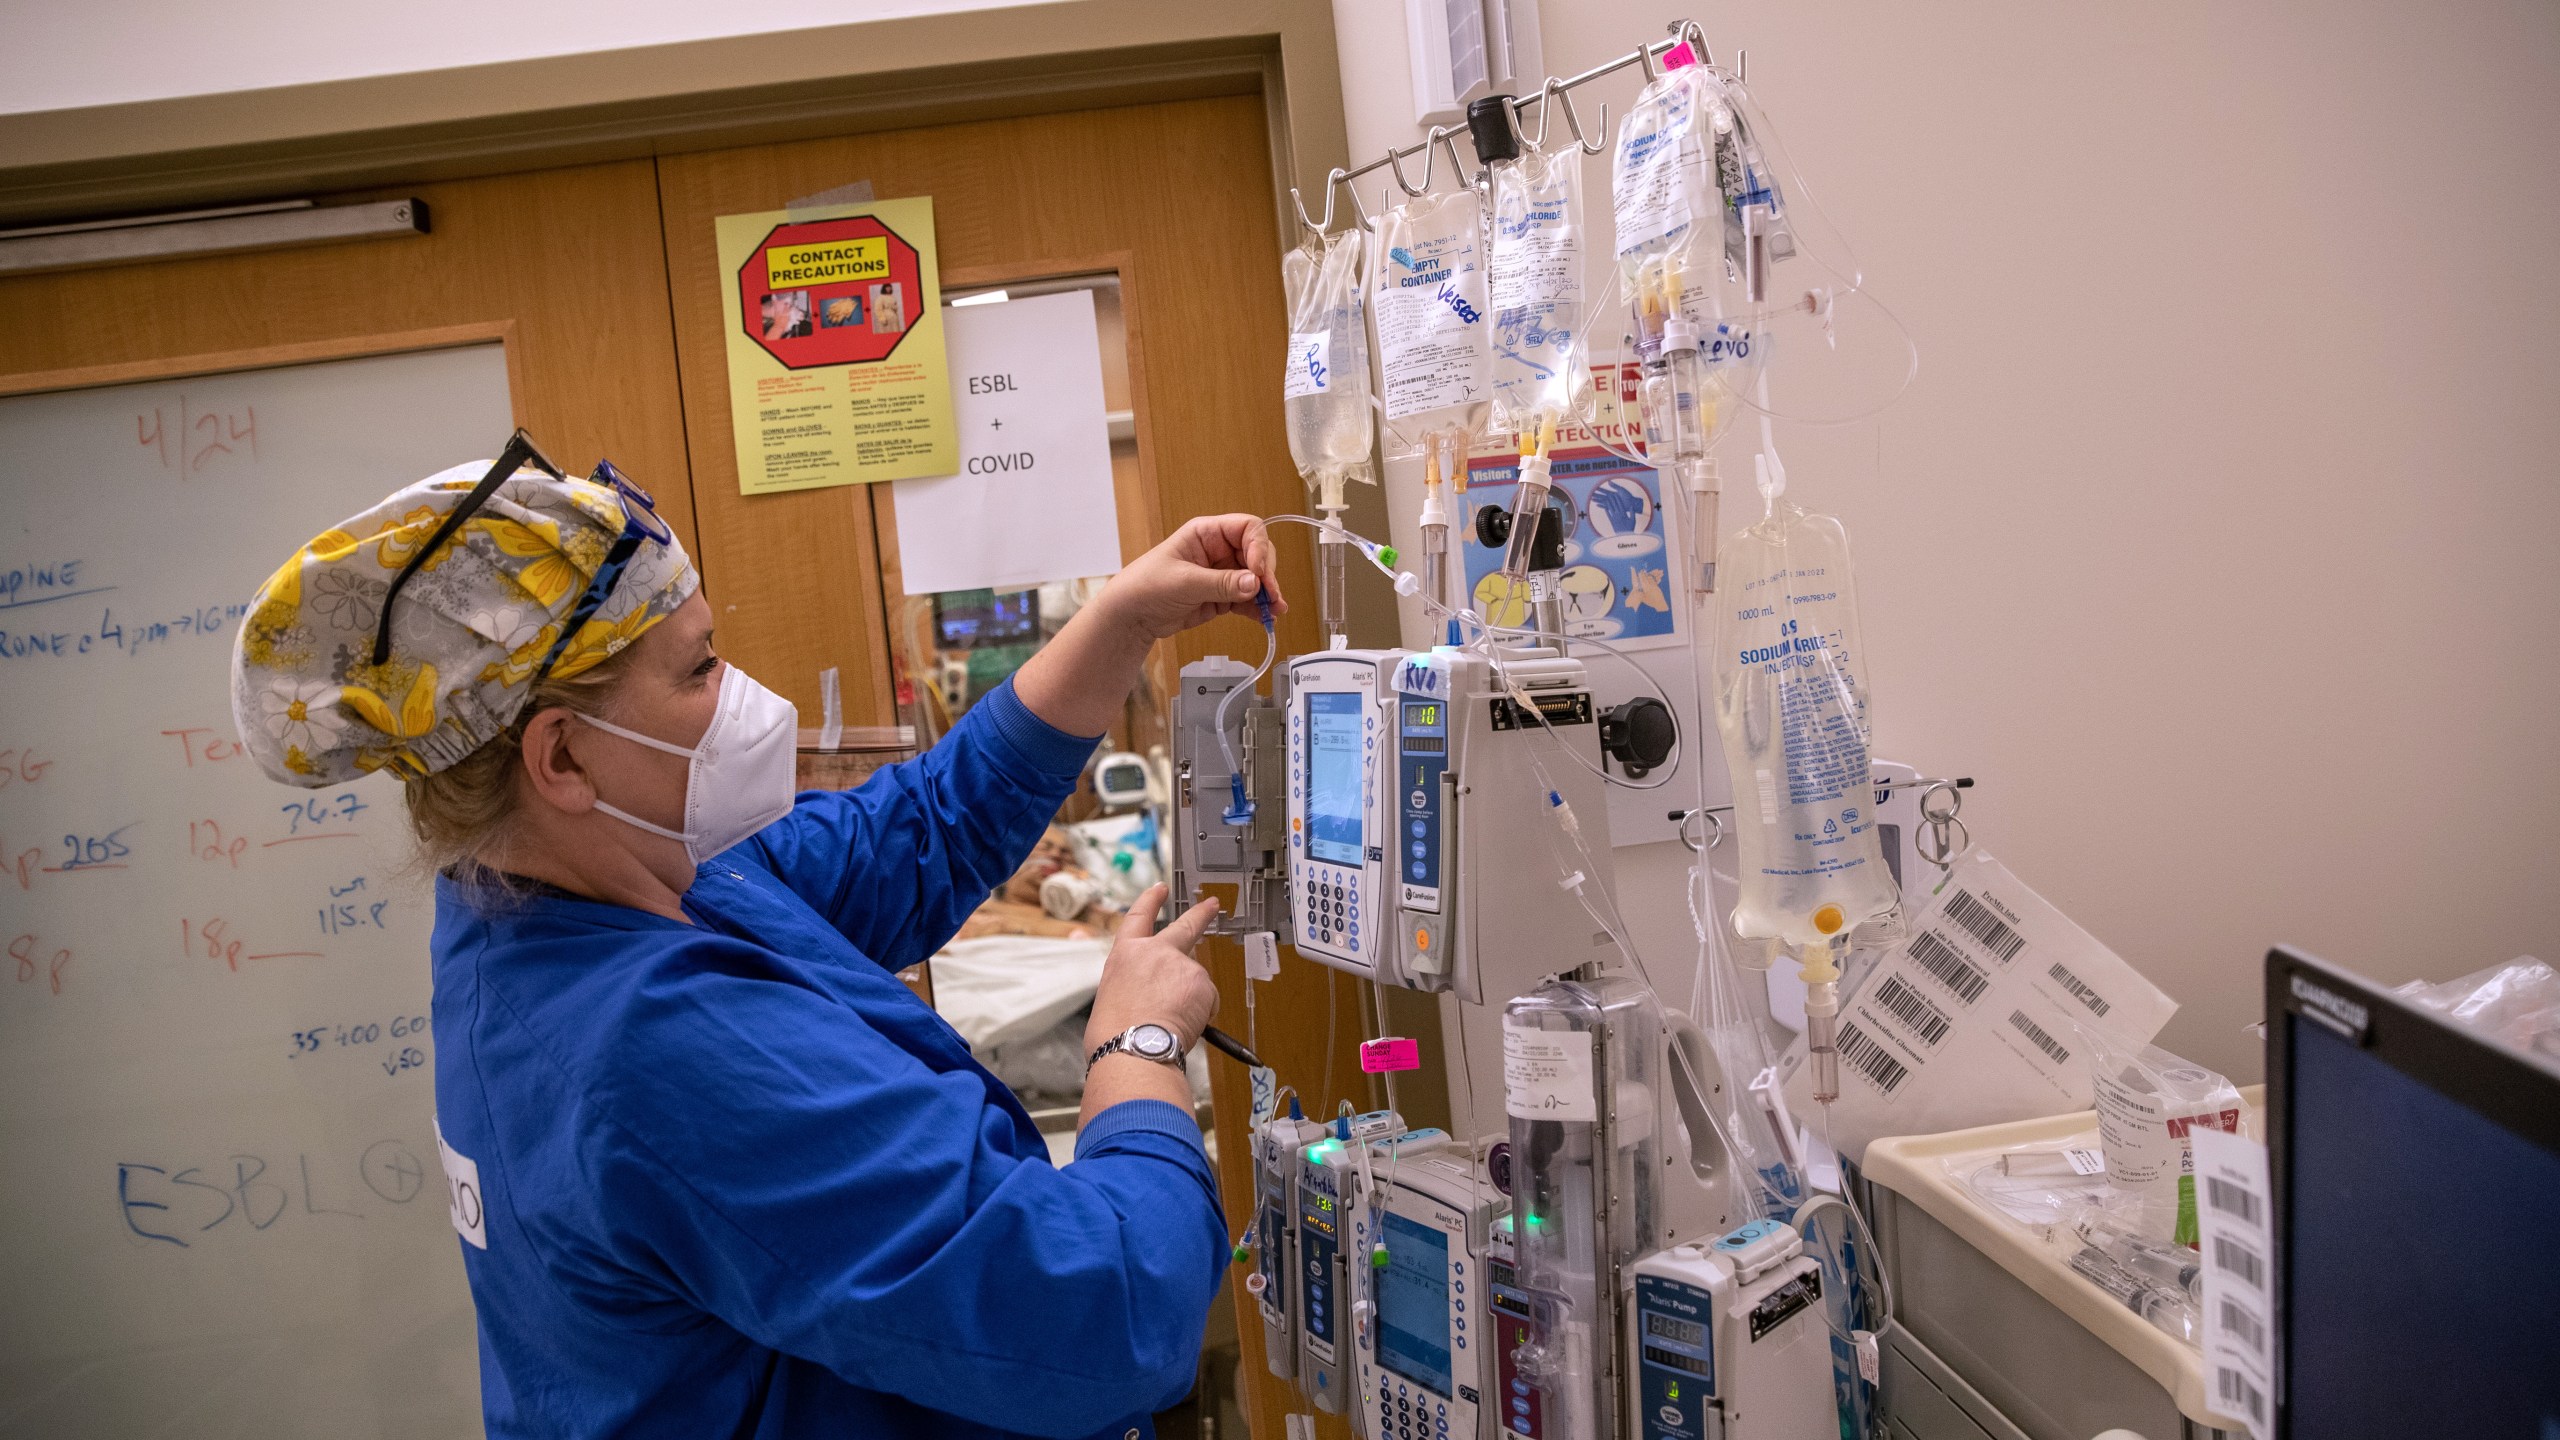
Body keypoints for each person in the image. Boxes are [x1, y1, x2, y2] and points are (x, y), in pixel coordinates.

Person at [228, 436, 1285, 1439]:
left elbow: (915, 832)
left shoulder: (589, 899)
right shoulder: (649, 1047)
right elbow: (1107, 1308)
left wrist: (1119, 624)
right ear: (560, 760)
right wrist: (1134, 1049)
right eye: (698, 671)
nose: (741, 700)